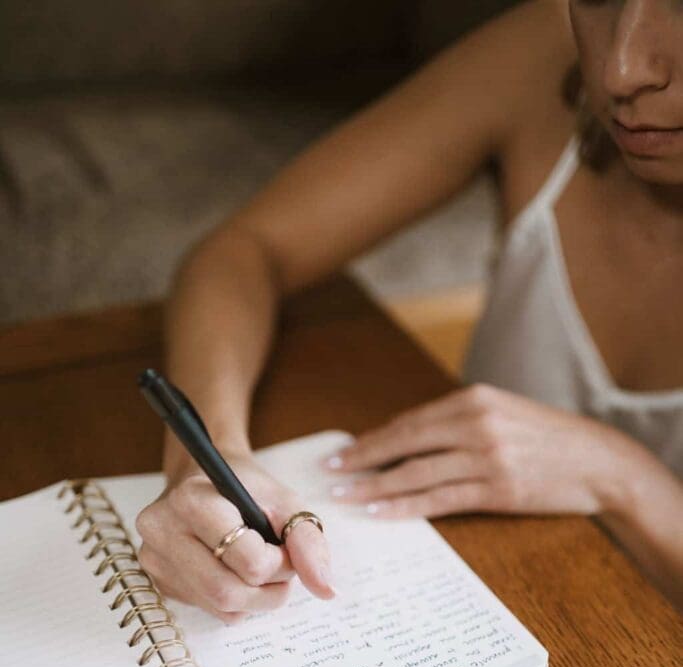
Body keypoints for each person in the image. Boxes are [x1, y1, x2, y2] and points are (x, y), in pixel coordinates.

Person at [136, 0, 683, 617]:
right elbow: (242, 251)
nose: (619, 69)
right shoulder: (540, 53)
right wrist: (208, 460)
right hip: (488, 586)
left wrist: (624, 479)